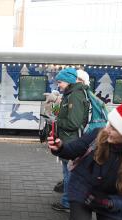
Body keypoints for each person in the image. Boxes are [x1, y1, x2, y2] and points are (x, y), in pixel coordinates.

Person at [51, 68, 89, 212]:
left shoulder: (75, 96)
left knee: (70, 174)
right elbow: (63, 115)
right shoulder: (70, 95)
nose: (59, 85)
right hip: (68, 140)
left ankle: (68, 203)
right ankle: (69, 202)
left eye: (60, 82)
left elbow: (73, 123)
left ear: (68, 81)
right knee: (69, 173)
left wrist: (57, 121)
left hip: (71, 141)